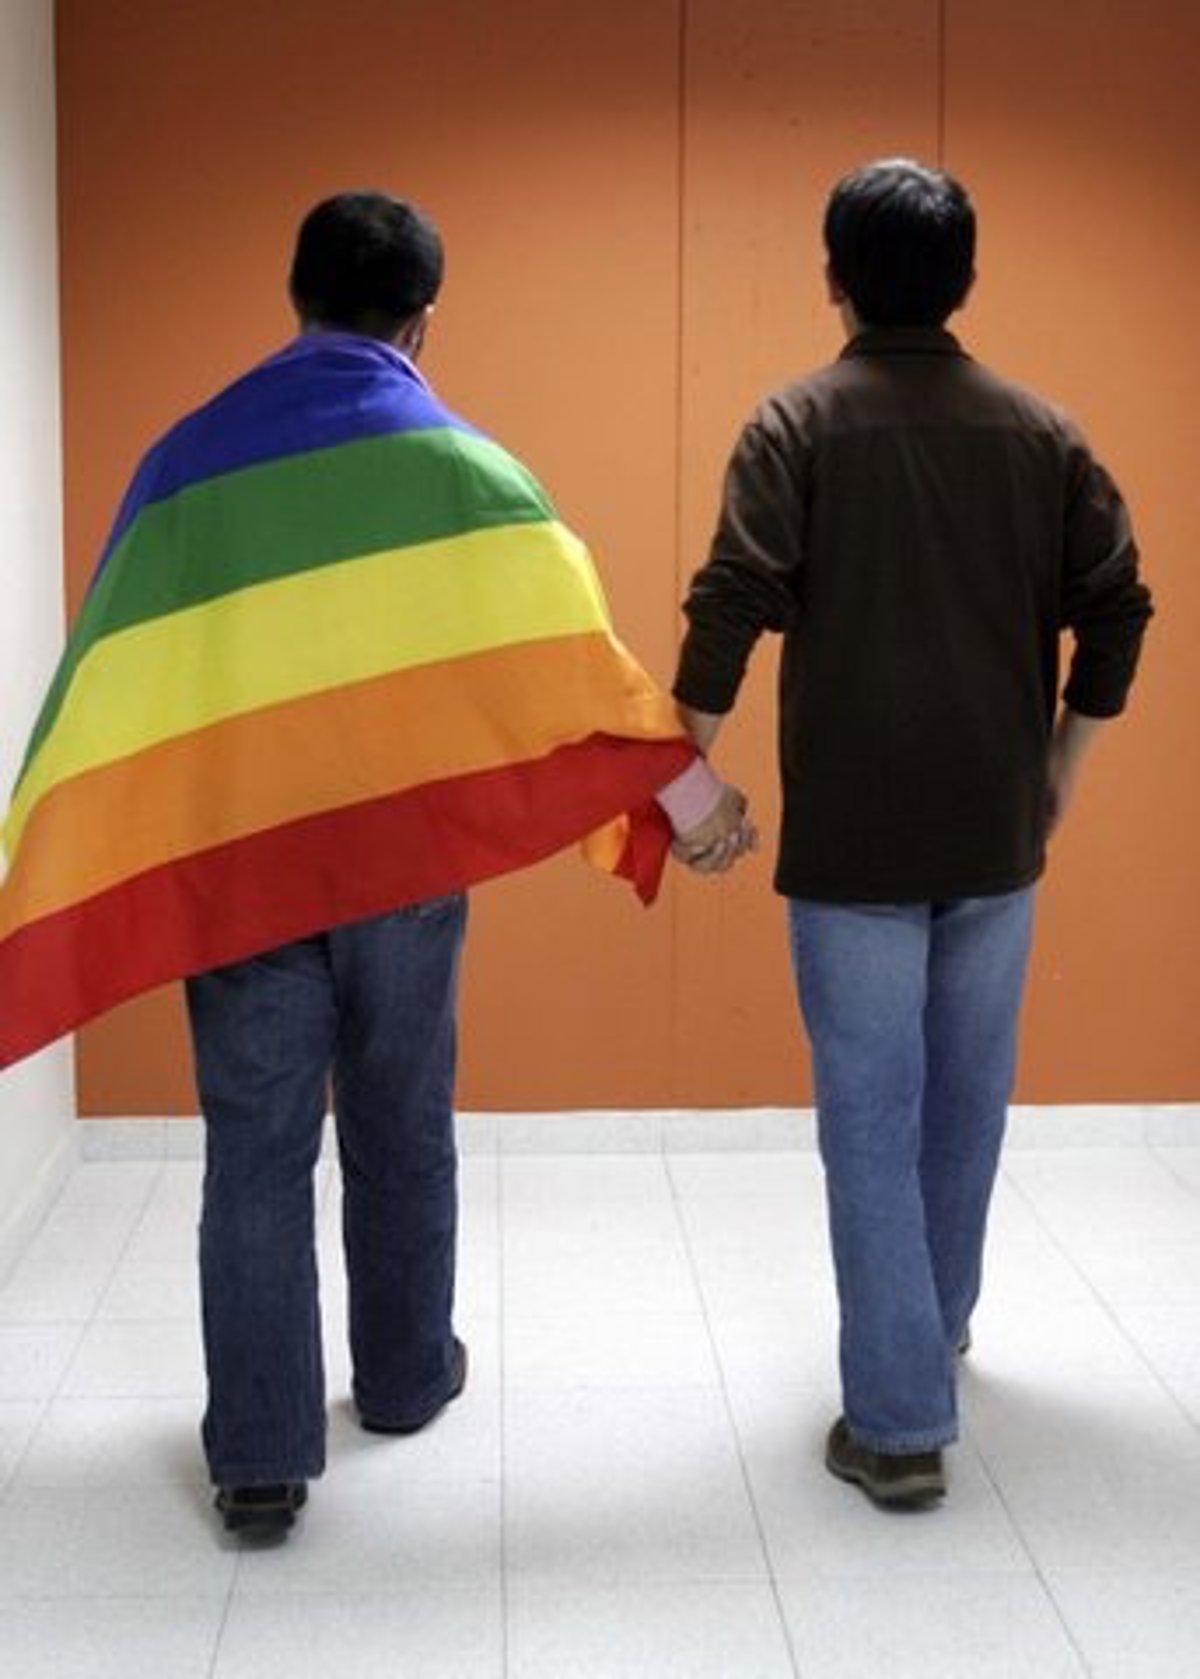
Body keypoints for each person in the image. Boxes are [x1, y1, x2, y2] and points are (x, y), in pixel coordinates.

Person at [0, 192, 752, 1539]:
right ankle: (404, 1381)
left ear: (296, 298)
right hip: (402, 867)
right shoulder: (464, 469)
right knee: (402, 1121)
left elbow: (114, 676)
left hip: (243, 870)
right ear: (422, 323)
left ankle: (261, 1460)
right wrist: (690, 798)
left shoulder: (184, 467)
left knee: (255, 1149)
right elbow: (572, 665)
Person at [672, 158, 1152, 1508]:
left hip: (856, 847)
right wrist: (1060, 768)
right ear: (966, 280)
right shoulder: (1042, 432)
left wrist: (682, 780)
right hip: (996, 833)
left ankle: (895, 1426)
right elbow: (1119, 608)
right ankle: (928, 1333)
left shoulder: (795, 424)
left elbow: (730, 604)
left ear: (833, 278)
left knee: (871, 1117)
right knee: (964, 1104)